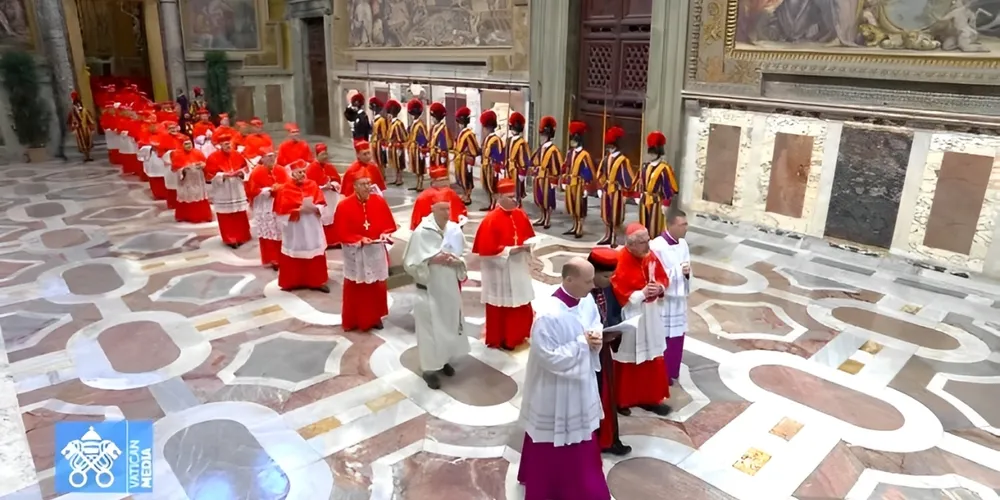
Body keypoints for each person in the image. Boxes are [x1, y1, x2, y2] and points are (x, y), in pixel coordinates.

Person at [517, 257, 611, 500]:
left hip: (580, 384)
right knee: (553, 440)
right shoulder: (548, 315)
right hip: (555, 389)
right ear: (569, 280)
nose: (593, 286)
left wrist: (596, 335)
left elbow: (595, 322)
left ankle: (582, 483)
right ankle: (552, 487)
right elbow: (548, 357)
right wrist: (583, 343)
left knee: (581, 437)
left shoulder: (585, 299)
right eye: (588, 281)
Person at [402, 191, 471, 389]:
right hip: (430, 290)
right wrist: (432, 259)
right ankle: (429, 369)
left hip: (448, 288)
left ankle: (444, 361)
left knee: (448, 326)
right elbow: (410, 263)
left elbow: (463, 254)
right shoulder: (422, 232)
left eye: (448, 208)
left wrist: (456, 260)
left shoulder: (453, 229)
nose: (446, 213)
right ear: (432, 209)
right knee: (430, 331)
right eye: (442, 209)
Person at [610, 223, 671, 416]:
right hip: (632, 315)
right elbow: (619, 291)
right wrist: (642, 293)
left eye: (648, 240)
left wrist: (660, 288)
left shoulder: (649, 255)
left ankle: (650, 398)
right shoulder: (620, 260)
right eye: (644, 242)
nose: (649, 245)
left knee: (651, 355)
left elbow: (663, 276)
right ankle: (622, 400)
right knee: (629, 357)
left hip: (650, 315)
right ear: (632, 245)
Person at [472, 178, 535, 350]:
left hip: (518, 268)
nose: (514, 200)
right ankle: (502, 338)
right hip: (500, 272)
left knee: (520, 302)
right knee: (504, 304)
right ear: (499, 197)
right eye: (509, 197)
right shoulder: (490, 220)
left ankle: (518, 334)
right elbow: (486, 252)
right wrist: (508, 251)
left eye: (515, 196)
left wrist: (529, 246)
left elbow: (529, 237)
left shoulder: (520, 214)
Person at [333, 173, 398, 331]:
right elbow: (340, 231)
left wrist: (385, 233)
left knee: (376, 285)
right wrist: (358, 239)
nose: (367, 187)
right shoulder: (344, 206)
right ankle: (353, 320)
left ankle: (374, 318)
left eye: (369, 183)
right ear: (354, 186)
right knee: (356, 285)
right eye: (362, 184)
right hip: (356, 252)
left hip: (375, 251)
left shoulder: (379, 201)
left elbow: (389, 225)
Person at [588, 247, 631, 456]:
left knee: (606, 394)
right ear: (592, 272)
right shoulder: (581, 292)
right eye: (605, 276)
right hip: (585, 354)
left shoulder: (607, 288)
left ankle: (608, 439)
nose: (609, 280)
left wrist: (616, 330)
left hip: (603, 350)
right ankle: (591, 442)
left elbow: (614, 312)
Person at [649, 210, 691, 387]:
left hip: (678, 301)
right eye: (682, 225)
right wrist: (677, 272)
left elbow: (687, 267)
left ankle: (672, 370)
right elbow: (654, 274)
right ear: (671, 225)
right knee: (663, 337)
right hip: (664, 302)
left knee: (677, 337)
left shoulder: (683, 244)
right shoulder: (656, 246)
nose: (686, 229)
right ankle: (660, 374)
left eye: (686, 224)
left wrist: (687, 273)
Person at [275, 161, 330, 293]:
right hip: (295, 227)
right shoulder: (285, 189)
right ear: (292, 173)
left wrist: (316, 208)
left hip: (311, 224)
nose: (302, 174)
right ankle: (292, 282)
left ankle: (316, 281)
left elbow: (322, 203)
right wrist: (297, 210)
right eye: (299, 172)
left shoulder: (312, 185)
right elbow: (281, 211)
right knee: (295, 251)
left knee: (314, 250)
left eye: (304, 171)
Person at [205, 133, 252, 248]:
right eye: (225, 144)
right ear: (220, 145)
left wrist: (241, 173)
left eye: (229, 143)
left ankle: (243, 236)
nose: (228, 146)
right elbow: (209, 175)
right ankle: (230, 238)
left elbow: (246, 169)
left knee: (240, 214)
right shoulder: (213, 157)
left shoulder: (237, 155)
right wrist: (223, 175)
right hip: (223, 190)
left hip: (236, 188)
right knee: (226, 216)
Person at [247, 148, 289, 269]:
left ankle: (284, 256)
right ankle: (273, 259)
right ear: (263, 159)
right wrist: (269, 190)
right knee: (269, 233)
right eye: (268, 157)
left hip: (279, 205)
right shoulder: (257, 172)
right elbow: (252, 191)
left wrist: (280, 187)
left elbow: (288, 184)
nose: (272, 159)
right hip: (264, 206)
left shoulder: (280, 169)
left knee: (281, 231)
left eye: (273, 156)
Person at [597, 126, 637, 247]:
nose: (609, 148)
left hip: (617, 191)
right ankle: (607, 235)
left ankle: (615, 237)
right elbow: (600, 173)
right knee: (606, 213)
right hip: (607, 189)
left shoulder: (623, 160)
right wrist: (602, 185)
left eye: (611, 146)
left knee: (616, 214)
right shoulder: (606, 158)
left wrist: (626, 192)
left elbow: (628, 178)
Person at [639, 131, 679, 237]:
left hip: (656, 202)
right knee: (643, 227)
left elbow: (668, 186)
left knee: (655, 228)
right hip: (644, 200)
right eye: (650, 152)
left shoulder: (664, 168)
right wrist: (638, 195)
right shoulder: (645, 166)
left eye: (654, 152)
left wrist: (666, 203)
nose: (651, 155)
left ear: (659, 152)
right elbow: (641, 181)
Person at [305, 143, 342, 248]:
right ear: (317, 155)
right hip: (320, 197)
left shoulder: (329, 166)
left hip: (331, 197)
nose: (325, 157)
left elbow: (337, 179)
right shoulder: (312, 168)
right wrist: (323, 187)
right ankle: (325, 242)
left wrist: (334, 184)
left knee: (333, 216)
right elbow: (310, 184)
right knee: (324, 218)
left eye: (326, 154)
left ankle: (335, 241)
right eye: (322, 154)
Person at [409, 166, 468, 230]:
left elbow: (416, 220)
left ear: (433, 181)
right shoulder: (452, 194)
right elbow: (462, 214)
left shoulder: (423, 196)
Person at [563, 121, 595, 239]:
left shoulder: (584, 154)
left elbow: (588, 171)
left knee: (580, 207)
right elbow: (566, 166)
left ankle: (580, 227)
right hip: (571, 182)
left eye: (574, 140)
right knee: (572, 206)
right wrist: (564, 181)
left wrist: (586, 187)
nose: (572, 142)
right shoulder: (570, 153)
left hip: (580, 184)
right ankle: (574, 225)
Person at [530, 116, 563, 229]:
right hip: (539, 177)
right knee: (539, 198)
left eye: (543, 135)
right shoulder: (540, 148)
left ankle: (547, 218)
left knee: (548, 199)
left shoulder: (553, 150)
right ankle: (542, 216)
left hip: (548, 179)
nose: (542, 137)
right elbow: (533, 161)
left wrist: (555, 179)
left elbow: (557, 165)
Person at [171, 136, 213, 223]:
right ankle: (187, 216)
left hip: (198, 179)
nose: (188, 146)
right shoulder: (177, 154)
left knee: (199, 195)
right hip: (186, 180)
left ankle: (203, 215)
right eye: (186, 144)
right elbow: (175, 168)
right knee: (187, 196)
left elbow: (205, 164)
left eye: (189, 144)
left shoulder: (198, 152)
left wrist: (203, 165)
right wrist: (184, 168)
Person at [453, 106, 480, 205]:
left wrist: (471, 158)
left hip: (466, 160)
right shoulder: (462, 133)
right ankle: (465, 194)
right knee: (461, 177)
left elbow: (474, 148)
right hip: (460, 159)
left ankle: (468, 195)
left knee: (467, 177)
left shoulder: (469, 134)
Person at [479, 110, 503, 211]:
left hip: (491, 167)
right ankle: (490, 203)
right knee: (487, 186)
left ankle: (494, 204)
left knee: (493, 186)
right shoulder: (487, 139)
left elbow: (498, 155)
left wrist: (496, 167)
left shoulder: (496, 139)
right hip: (485, 165)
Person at [505, 112, 530, 206]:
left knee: (517, 191)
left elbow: (525, 158)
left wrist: (522, 172)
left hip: (517, 170)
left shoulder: (522, 143)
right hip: (509, 169)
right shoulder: (508, 140)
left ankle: (518, 207)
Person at [406, 98, 430, 192]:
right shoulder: (414, 124)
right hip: (413, 148)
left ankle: (420, 184)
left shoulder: (420, 124)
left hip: (418, 149)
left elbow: (422, 137)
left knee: (420, 167)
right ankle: (417, 183)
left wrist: (422, 149)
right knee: (415, 167)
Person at [68, 90, 96, 162]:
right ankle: (86, 156)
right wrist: (74, 126)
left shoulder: (85, 110)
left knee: (88, 142)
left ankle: (88, 155)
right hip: (79, 129)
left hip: (86, 128)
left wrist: (91, 125)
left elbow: (89, 118)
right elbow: (71, 120)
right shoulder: (73, 112)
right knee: (82, 142)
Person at [428, 101, 451, 185]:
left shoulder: (443, 129)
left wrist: (443, 156)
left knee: (440, 175)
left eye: (433, 117)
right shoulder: (433, 128)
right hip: (433, 154)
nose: (432, 119)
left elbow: (444, 144)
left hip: (439, 155)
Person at [385, 99, 407, 186]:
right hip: (392, 146)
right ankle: (397, 178)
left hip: (397, 146)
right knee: (394, 163)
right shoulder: (391, 122)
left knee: (399, 163)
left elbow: (402, 136)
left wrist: (400, 145)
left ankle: (399, 179)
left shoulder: (398, 123)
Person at [369, 96, 388, 173]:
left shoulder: (382, 120)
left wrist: (384, 144)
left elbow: (383, 133)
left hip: (379, 143)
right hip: (373, 142)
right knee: (374, 161)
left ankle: (382, 177)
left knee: (380, 161)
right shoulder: (374, 119)